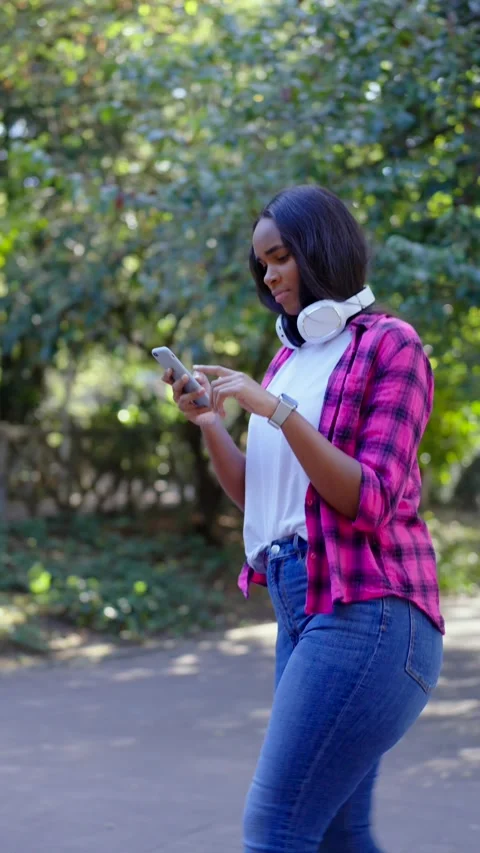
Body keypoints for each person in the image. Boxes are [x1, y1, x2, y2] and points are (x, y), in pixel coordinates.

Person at [162, 184, 444, 853]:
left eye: (281, 256)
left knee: (275, 829)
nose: (270, 275)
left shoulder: (391, 347)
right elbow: (261, 497)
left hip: (371, 610)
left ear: (321, 249)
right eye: (263, 263)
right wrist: (211, 423)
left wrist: (275, 410)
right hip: (303, 606)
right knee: (341, 836)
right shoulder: (290, 358)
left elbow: (369, 498)